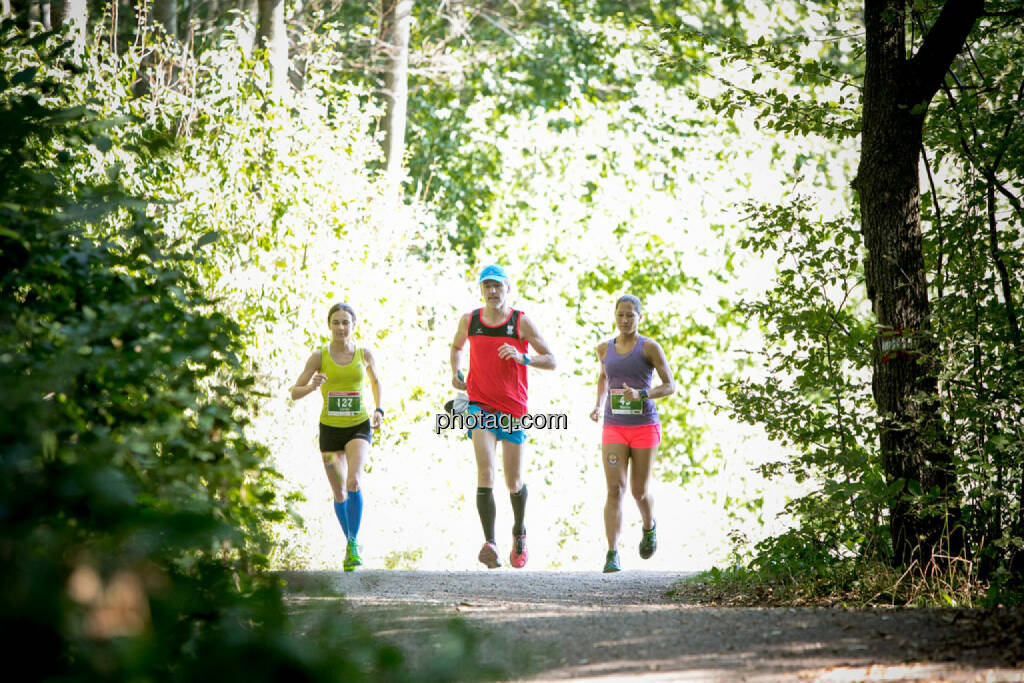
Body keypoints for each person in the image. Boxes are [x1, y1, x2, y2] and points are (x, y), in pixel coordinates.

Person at [450, 265, 556, 569]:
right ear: (481, 290)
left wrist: (524, 357)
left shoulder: (520, 322)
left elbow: (551, 359)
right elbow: (456, 347)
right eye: (487, 286)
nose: (492, 292)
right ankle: (490, 544)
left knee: (513, 481)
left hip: (512, 409)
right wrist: (455, 371)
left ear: (507, 288)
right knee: (485, 474)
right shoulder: (469, 320)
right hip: (479, 406)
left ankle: (519, 533)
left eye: (497, 286)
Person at [290, 303, 383, 572]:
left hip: (358, 426)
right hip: (330, 430)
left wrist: (378, 410)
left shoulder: (364, 354)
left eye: (346, 322)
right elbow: (294, 392)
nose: (341, 327)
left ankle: (352, 544)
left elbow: (376, 381)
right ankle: (350, 541)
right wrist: (312, 386)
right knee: (339, 490)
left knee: (354, 481)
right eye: (336, 322)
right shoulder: (319, 356)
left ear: (354, 325)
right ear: (329, 325)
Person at [589, 295, 675, 573]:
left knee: (639, 491)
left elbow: (669, 385)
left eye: (630, 315)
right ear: (614, 316)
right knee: (615, 489)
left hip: (644, 427)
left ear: (640, 317)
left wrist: (642, 394)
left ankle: (649, 527)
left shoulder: (649, 348)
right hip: (614, 427)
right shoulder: (604, 348)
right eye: (620, 315)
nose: (625, 320)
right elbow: (603, 377)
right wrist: (598, 405)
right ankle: (612, 553)